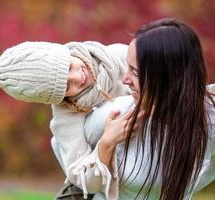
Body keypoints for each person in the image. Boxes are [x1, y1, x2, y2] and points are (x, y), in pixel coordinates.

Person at [55, 18, 215, 199]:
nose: (125, 80)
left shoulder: (208, 119)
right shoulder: (117, 114)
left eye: (135, 72)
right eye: (127, 67)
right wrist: (106, 143)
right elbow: (64, 150)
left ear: (171, 79)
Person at [0, 41, 130, 198]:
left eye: (68, 67)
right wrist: (107, 142)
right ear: (60, 97)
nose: (78, 77)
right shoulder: (66, 117)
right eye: (67, 87)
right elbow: (82, 177)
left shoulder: (120, 56)